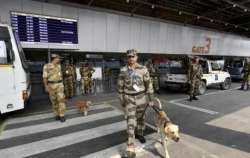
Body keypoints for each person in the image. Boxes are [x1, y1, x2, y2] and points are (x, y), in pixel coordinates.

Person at [117, 49, 154, 158]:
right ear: (127, 58)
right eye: (129, 57)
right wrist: (122, 100)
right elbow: (120, 87)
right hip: (129, 99)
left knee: (141, 118)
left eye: (133, 56)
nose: (131, 59)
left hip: (141, 98)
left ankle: (140, 134)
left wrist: (151, 98)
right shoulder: (123, 70)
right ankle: (130, 145)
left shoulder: (143, 69)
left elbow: (149, 84)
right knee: (131, 121)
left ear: (136, 57)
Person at [43, 54, 66, 122]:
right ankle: (56, 114)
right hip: (51, 85)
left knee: (61, 100)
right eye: (58, 58)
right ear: (54, 58)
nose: (59, 59)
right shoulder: (46, 66)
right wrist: (46, 86)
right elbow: (44, 77)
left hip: (59, 84)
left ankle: (62, 115)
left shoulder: (59, 66)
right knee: (54, 101)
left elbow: (61, 75)